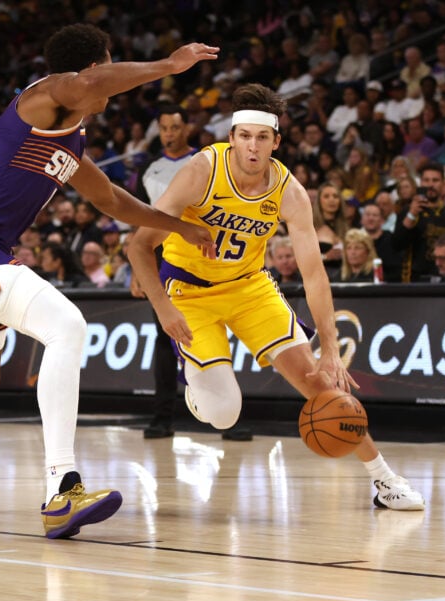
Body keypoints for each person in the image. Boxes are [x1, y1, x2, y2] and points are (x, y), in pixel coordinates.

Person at [0, 23, 219, 540]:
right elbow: (88, 85)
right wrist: (167, 66)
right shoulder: (47, 94)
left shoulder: (69, 139)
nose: (106, 84)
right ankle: (62, 489)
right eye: (106, 66)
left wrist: (181, 227)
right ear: (90, 68)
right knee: (68, 325)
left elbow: (110, 199)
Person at [126, 83, 425, 511]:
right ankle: (198, 387)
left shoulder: (289, 191)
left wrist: (329, 348)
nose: (252, 146)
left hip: (249, 286)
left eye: (262, 137)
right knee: (225, 412)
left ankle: (385, 480)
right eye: (244, 136)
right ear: (231, 137)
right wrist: (163, 307)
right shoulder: (200, 171)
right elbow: (139, 244)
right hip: (189, 293)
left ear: (276, 142)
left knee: (320, 384)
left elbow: (315, 274)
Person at [132, 104, 204, 440]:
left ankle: (223, 414)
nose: (169, 134)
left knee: (212, 332)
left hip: (202, 250)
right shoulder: (150, 167)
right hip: (160, 255)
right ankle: (163, 416)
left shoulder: (204, 160)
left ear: (187, 127)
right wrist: (137, 267)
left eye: (175, 127)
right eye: (164, 128)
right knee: (164, 337)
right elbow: (137, 217)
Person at [391, 162, 445, 282]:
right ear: (421, 183)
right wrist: (412, 215)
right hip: (415, 283)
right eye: (426, 180)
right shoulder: (409, 211)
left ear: (443, 184)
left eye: (435, 180)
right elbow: (397, 245)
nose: (430, 185)